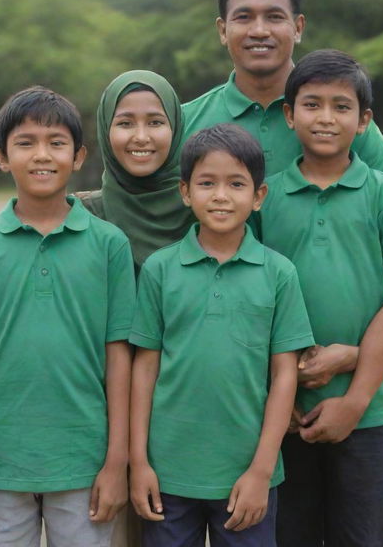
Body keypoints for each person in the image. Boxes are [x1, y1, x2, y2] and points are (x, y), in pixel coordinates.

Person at [0, 86, 136, 547]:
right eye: (25, 143)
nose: (42, 154)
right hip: (1, 462)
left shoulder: (109, 245)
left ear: (78, 155)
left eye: (56, 142)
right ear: (2, 157)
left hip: (84, 460)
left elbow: (119, 357)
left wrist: (115, 462)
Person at [257, 50, 383, 546]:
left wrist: (354, 401)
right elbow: (255, 301)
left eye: (341, 106)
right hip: (283, 416)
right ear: (289, 115)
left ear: (363, 121)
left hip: (368, 413)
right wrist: (277, 393)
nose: (326, 118)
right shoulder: (265, 199)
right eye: (311, 105)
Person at [129, 123, 315, 547]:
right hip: (169, 475)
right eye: (206, 183)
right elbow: (145, 368)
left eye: (236, 184)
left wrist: (261, 471)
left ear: (258, 197)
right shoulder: (160, 270)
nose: (220, 195)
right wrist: (139, 461)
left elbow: (285, 375)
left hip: (245, 477)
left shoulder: (278, 273)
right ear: (185, 192)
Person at [182, 0, 383, 180]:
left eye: (274, 17)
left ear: (298, 28)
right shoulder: (185, 122)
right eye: (244, 17)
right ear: (222, 30)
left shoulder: (341, 117)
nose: (259, 30)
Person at [78, 70, 194, 273]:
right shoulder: (83, 216)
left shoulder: (204, 212)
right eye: (125, 123)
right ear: (105, 129)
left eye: (155, 122)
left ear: (175, 127)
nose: (141, 136)